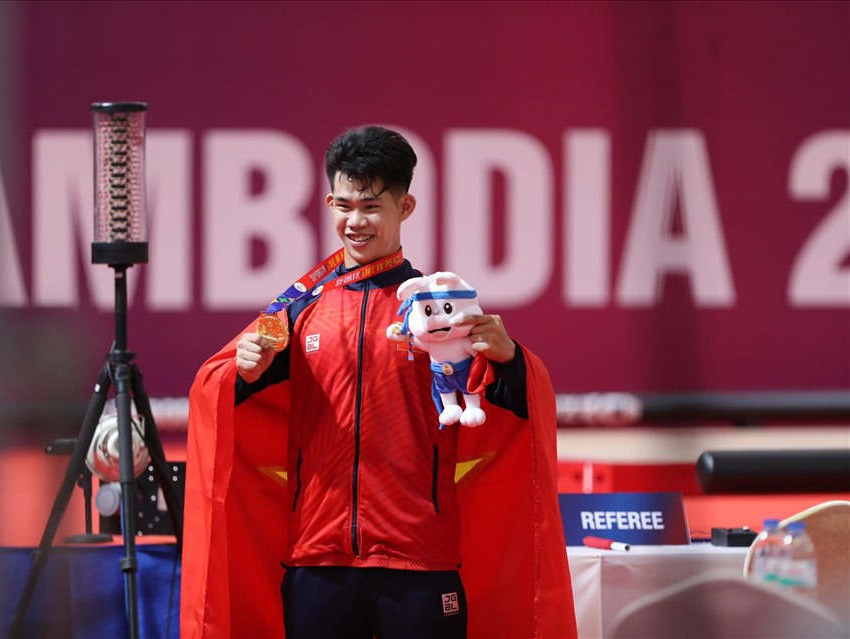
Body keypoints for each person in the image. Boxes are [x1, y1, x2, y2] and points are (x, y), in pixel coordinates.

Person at [180, 126, 577, 639]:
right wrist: (242, 371)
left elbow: (517, 401)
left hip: (420, 557)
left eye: (371, 206)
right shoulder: (297, 310)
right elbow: (219, 390)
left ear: (405, 207)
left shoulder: (439, 310)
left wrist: (510, 358)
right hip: (317, 559)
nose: (355, 222)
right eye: (344, 206)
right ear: (328, 203)